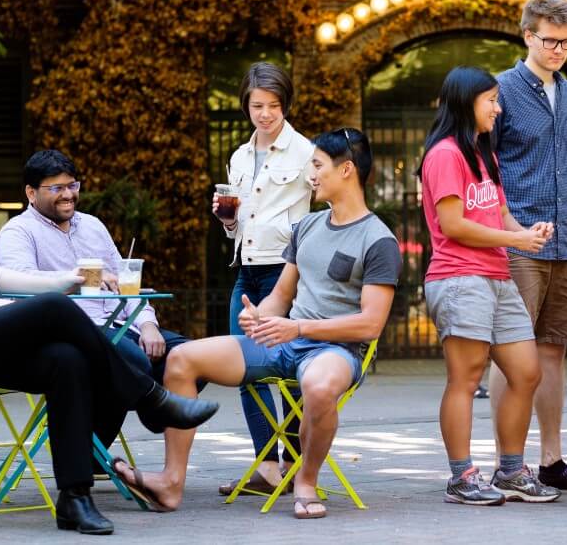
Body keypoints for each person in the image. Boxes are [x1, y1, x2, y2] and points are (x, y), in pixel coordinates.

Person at [0, 116, 219, 535]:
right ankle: (149, 396)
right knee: (52, 309)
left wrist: (60, 282)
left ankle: (75, 498)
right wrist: (8, 311)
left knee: (65, 358)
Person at [111, 128, 400, 519]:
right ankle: (170, 482)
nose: (310, 174)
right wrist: (258, 313)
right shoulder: (308, 228)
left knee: (316, 386)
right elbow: (281, 296)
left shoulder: (378, 239)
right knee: (181, 359)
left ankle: (305, 481)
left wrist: (297, 329)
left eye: (317, 166)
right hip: (286, 339)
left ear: (346, 170)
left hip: (337, 349)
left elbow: (369, 324)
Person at [419, 66, 560, 506]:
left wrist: (526, 233)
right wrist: (515, 240)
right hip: (460, 277)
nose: (498, 108)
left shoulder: (483, 155)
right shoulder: (445, 155)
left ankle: (512, 472)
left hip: (497, 277)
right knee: (465, 378)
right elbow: (453, 225)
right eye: (491, 100)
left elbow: (497, 216)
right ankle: (462, 477)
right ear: (467, 103)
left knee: (526, 372)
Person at [0, 149, 190, 447]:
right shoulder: (17, 233)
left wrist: (148, 324)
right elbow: (23, 288)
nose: (68, 195)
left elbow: (125, 285)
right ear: (31, 193)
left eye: (72, 185)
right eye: (56, 188)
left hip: (119, 324)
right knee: (134, 359)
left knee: (191, 357)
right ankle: (93, 446)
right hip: (66, 331)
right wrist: (75, 278)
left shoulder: (93, 226)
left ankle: (147, 419)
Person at [488, 0, 567, 492]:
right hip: (517, 239)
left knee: (553, 351)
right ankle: (506, 463)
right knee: (513, 351)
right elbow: (484, 171)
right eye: (550, 41)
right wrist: (510, 230)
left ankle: (551, 460)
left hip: (566, 240)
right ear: (527, 35)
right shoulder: (502, 92)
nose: (559, 50)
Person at [213, 62, 313, 496]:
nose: (266, 114)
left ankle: (292, 463)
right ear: (246, 106)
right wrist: (227, 220)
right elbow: (238, 223)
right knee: (244, 370)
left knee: (288, 372)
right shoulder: (238, 156)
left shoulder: (306, 152)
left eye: (273, 105)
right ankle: (266, 465)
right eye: (257, 105)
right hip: (246, 271)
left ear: (285, 105)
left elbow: (318, 213)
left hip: (284, 272)